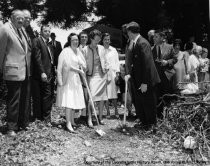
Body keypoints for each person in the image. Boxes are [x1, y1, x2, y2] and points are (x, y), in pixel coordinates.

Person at [0, 10, 31, 136]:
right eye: (18, 18)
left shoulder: (21, 30)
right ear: (11, 17)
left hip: (23, 71)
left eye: (23, 19)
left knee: (22, 99)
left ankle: (20, 124)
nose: (21, 20)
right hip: (12, 71)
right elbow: (1, 51)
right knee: (13, 100)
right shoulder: (5, 29)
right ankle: (11, 128)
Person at [125, 21, 160, 130]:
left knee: (149, 103)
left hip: (147, 80)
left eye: (128, 32)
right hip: (140, 80)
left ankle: (151, 126)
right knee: (142, 103)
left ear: (131, 32)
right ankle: (145, 124)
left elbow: (147, 64)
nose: (127, 35)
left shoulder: (142, 43)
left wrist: (145, 82)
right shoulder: (136, 43)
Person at [56, 33, 86, 133]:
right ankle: (68, 123)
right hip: (68, 78)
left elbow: (82, 63)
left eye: (77, 40)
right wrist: (78, 70)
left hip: (76, 79)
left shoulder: (78, 51)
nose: (76, 41)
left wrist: (82, 66)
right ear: (69, 41)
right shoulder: (66, 51)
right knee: (69, 100)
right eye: (73, 40)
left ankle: (72, 121)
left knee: (74, 99)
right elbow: (65, 66)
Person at [84, 29, 108, 127]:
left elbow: (105, 60)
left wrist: (106, 69)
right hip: (91, 75)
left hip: (102, 75)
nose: (97, 42)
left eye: (99, 40)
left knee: (102, 98)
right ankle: (89, 118)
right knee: (91, 98)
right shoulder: (85, 49)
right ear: (91, 39)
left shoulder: (102, 48)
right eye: (96, 40)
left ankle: (100, 118)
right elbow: (82, 63)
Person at [32, 24, 55, 125]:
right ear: (41, 31)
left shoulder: (49, 44)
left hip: (50, 74)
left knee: (47, 97)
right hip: (41, 74)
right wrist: (42, 72)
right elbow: (37, 58)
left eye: (49, 31)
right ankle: (44, 119)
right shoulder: (37, 41)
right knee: (42, 96)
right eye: (45, 31)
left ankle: (44, 118)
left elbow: (50, 60)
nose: (48, 33)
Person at [152, 29, 176, 118]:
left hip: (167, 75)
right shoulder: (152, 49)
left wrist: (167, 62)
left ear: (162, 38)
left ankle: (167, 116)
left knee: (167, 96)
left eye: (156, 37)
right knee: (158, 96)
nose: (154, 38)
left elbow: (175, 59)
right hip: (157, 76)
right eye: (153, 37)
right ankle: (159, 116)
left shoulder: (169, 47)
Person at [102, 33, 120, 118]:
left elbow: (117, 62)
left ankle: (116, 111)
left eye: (108, 39)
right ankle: (108, 112)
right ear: (102, 40)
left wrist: (117, 74)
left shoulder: (113, 50)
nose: (107, 41)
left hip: (112, 74)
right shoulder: (100, 50)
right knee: (105, 94)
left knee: (114, 94)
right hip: (103, 74)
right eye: (105, 39)